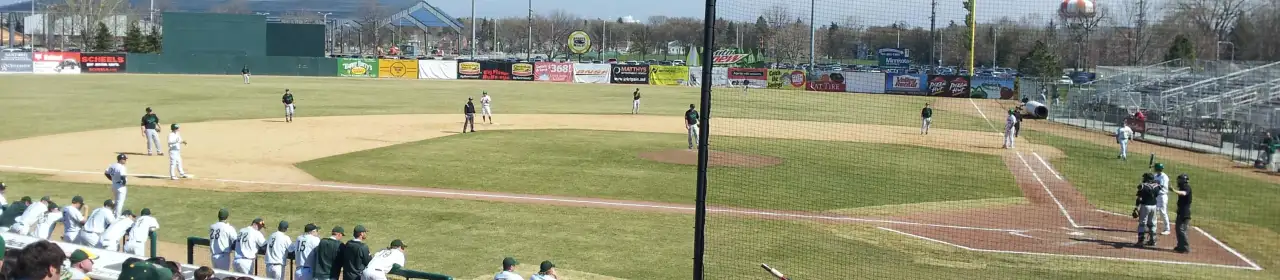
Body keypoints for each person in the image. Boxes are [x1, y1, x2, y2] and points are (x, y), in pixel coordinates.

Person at [1132, 173, 1161, 248]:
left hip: (1145, 206)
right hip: (1154, 206)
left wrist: (1136, 208)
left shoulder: (1142, 186)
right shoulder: (1157, 186)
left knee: (1142, 223)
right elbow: (1157, 193)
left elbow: (1139, 198)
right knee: (1152, 223)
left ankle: (1141, 241)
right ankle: (1153, 240)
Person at [1171, 174, 1193, 253]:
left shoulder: (1186, 187)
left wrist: (1174, 191)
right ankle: (1180, 246)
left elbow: (1184, 193)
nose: (1178, 181)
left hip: (1185, 212)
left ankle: (1185, 247)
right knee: (1178, 229)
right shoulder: (1183, 187)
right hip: (1181, 211)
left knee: (1181, 229)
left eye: (1180, 180)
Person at [104, 153, 129, 218]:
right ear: (121, 160)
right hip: (120, 186)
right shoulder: (121, 167)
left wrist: (111, 179)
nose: (125, 161)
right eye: (124, 159)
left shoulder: (112, 165)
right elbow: (123, 176)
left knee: (116, 201)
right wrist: (123, 184)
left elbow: (106, 173)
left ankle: (113, 214)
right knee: (120, 203)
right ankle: (117, 217)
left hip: (114, 185)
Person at [1152, 163, 1172, 235]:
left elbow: (1161, 186)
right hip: (1156, 196)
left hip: (1162, 196)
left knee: (1163, 212)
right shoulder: (1155, 175)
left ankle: (1167, 229)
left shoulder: (1164, 177)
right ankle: (1153, 228)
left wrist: (1154, 183)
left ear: (1157, 169)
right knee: (1154, 212)